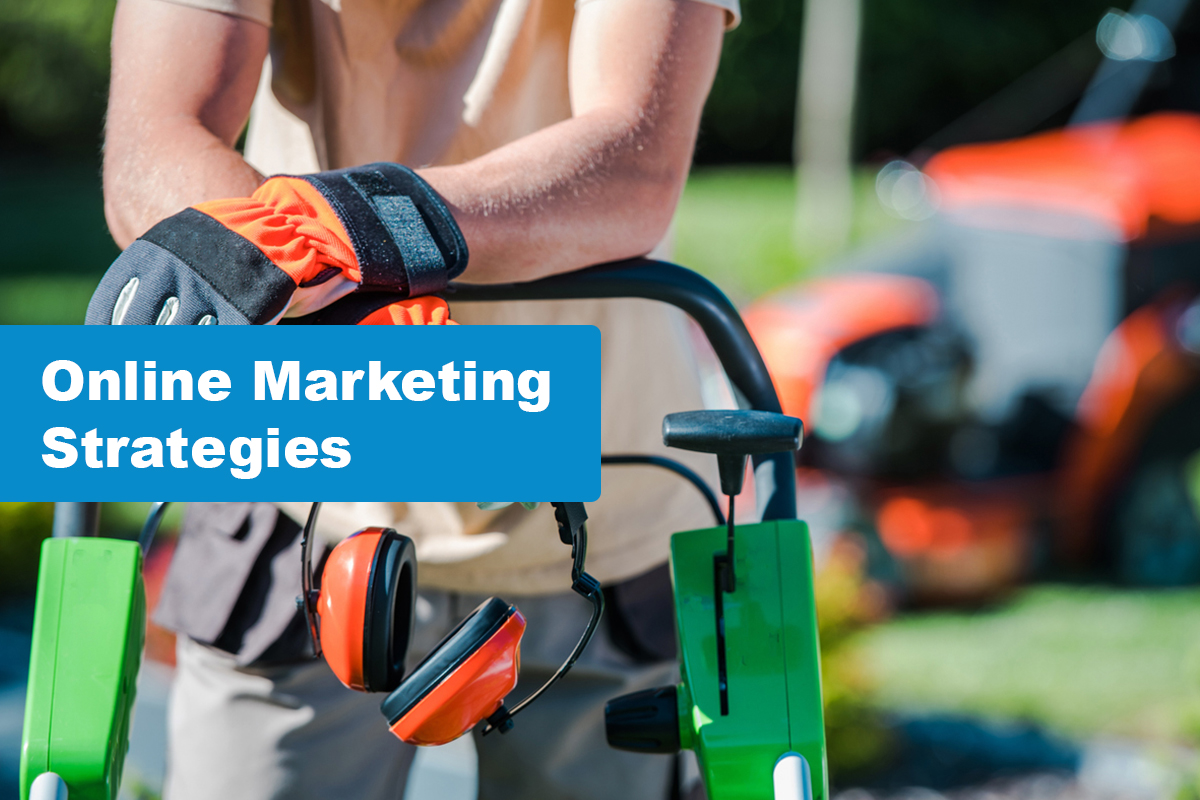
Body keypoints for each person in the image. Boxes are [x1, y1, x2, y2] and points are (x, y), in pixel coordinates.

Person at [100, 0, 739, 796]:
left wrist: (363, 229)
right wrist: (300, 275)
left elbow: (631, 165)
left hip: (597, 514)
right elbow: (156, 137)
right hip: (304, 501)